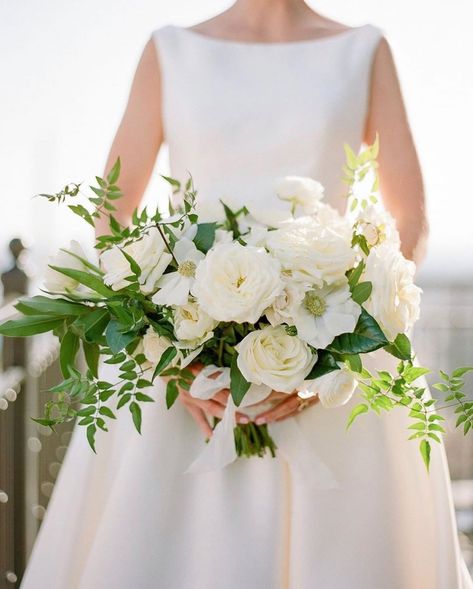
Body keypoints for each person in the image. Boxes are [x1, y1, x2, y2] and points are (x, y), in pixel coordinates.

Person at [21, 1, 473, 587]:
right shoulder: (171, 50)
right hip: (183, 355)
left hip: (337, 344)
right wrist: (165, 352)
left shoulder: (364, 49)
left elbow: (409, 218)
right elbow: (113, 213)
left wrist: (338, 354)